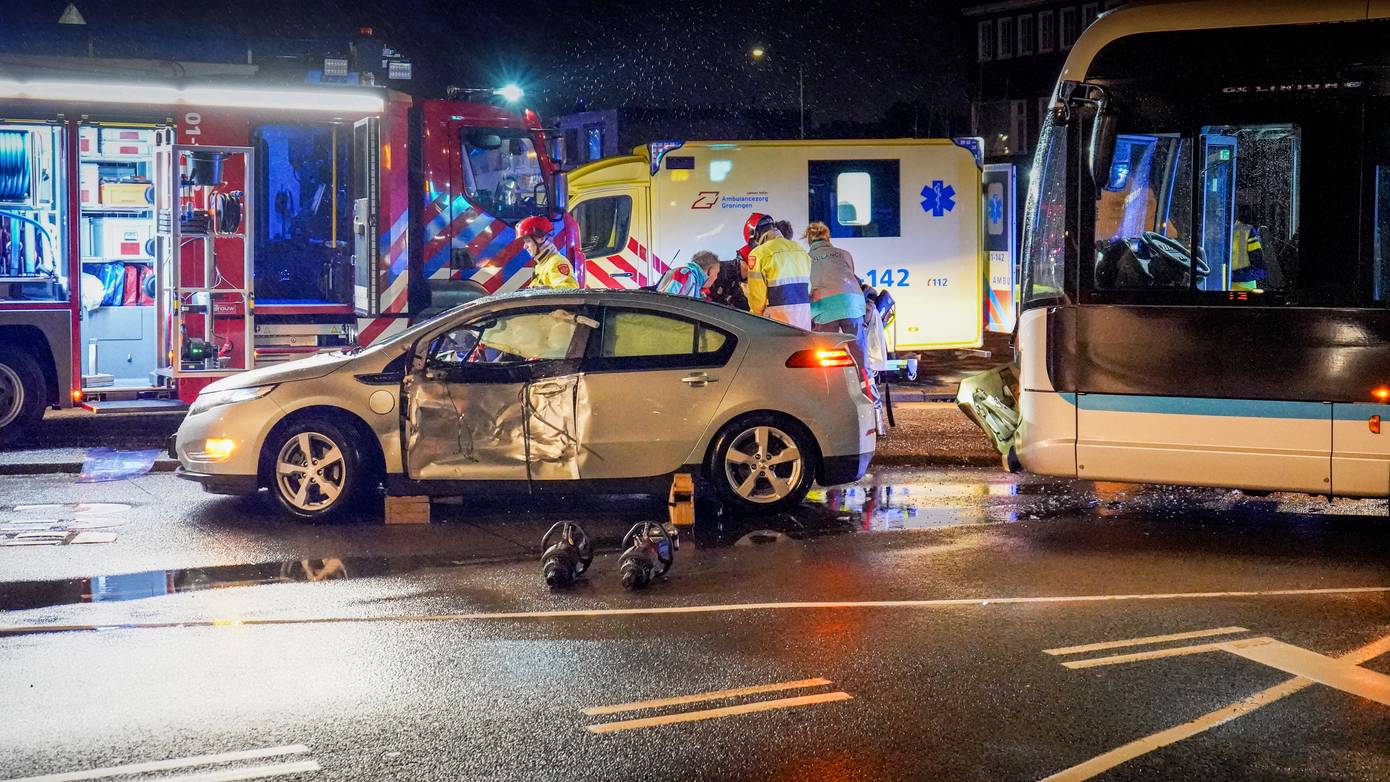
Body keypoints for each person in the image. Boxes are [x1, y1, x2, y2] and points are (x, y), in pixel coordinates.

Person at [804, 221, 867, 363]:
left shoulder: (806, 258)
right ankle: (866, 383)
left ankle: (830, 384)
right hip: (853, 304)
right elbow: (850, 275)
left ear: (809, 240)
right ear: (827, 238)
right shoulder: (844, 254)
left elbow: (807, 287)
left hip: (825, 307)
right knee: (859, 354)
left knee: (825, 355)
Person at [743, 213, 811, 329]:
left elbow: (757, 298)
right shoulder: (800, 250)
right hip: (803, 319)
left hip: (776, 321)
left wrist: (755, 319)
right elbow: (808, 288)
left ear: (757, 234)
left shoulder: (759, 253)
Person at [518, 215, 577, 289]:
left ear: (541, 238)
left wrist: (544, 290)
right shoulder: (542, 265)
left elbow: (571, 289)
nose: (525, 246)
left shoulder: (557, 262)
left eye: (528, 241)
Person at [655, 250, 722, 298]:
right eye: (716, 273)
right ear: (710, 271)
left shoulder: (695, 281)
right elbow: (668, 300)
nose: (716, 277)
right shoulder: (685, 275)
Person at [1230, 212, 1266, 291]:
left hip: (1243, 287)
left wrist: (1235, 275)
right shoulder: (1208, 228)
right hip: (1213, 286)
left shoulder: (1246, 231)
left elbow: (1259, 265)